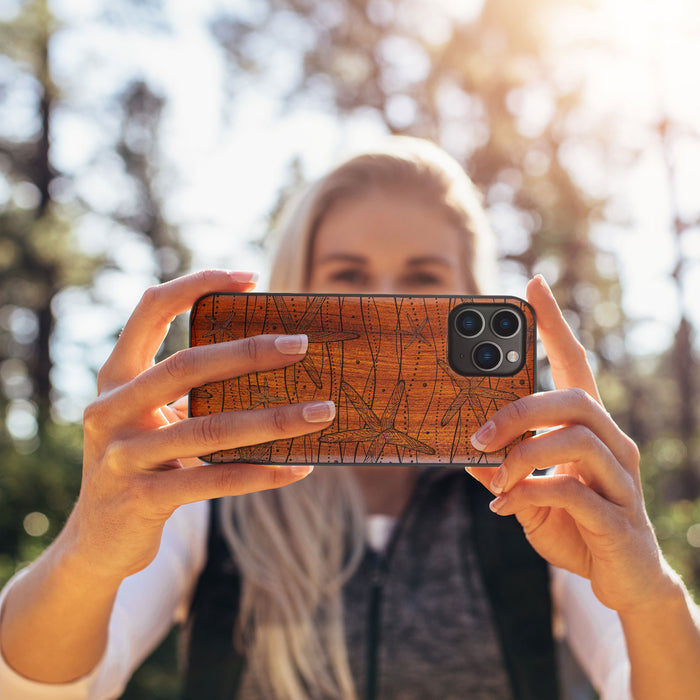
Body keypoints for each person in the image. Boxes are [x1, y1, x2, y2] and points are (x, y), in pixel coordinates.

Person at [0, 137, 698, 700]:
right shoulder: (208, 489)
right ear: (296, 292)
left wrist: (650, 594)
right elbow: (43, 689)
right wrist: (88, 551)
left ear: (469, 295)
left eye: (423, 280)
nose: (385, 309)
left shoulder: (538, 496)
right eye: (348, 277)